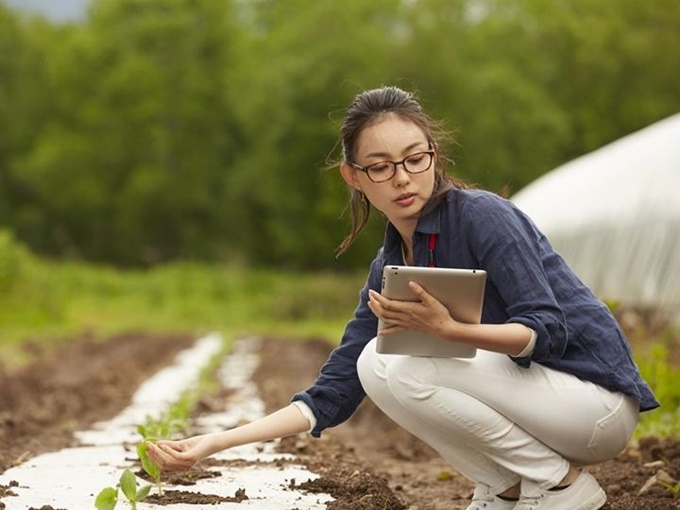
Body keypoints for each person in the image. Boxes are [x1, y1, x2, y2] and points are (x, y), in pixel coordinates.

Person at [146, 86, 659, 510]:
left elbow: (547, 330)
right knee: (373, 364)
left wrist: (452, 331)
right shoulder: (390, 266)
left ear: (434, 156)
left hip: (593, 405)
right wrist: (213, 443)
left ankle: (559, 487)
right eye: (381, 166)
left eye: (415, 159)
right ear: (354, 176)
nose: (402, 177)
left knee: (403, 360)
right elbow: (334, 391)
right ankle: (505, 491)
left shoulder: (482, 216)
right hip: (540, 405)